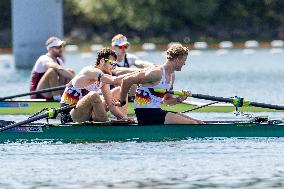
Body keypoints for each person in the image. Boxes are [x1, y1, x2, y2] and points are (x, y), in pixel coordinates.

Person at [117, 44, 203, 125]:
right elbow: (126, 80)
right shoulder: (156, 72)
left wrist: (180, 99)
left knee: (197, 122)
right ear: (177, 59)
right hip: (145, 113)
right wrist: (122, 101)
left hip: (156, 111)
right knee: (192, 124)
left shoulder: (172, 75)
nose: (184, 64)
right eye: (184, 61)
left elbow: (167, 101)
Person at [60, 47, 131, 124]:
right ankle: (105, 125)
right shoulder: (90, 71)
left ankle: (124, 121)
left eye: (115, 64)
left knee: (119, 91)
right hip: (70, 115)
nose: (113, 67)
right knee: (93, 95)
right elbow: (115, 80)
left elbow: (111, 106)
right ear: (102, 61)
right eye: (111, 63)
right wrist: (139, 75)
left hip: (87, 113)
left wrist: (123, 118)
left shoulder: (103, 80)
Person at [30, 36, 75, 101]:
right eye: (58, 47)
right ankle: (57, 99)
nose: (61, 49)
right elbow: (58, 68)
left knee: (70, 71)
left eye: (61, 46)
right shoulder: (43, 59)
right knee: (52, 71)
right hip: (37, 95)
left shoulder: (59, 61)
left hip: (50, 92)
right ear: (50, 49)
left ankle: (69, 98)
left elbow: (65, 73)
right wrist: (78, 80)